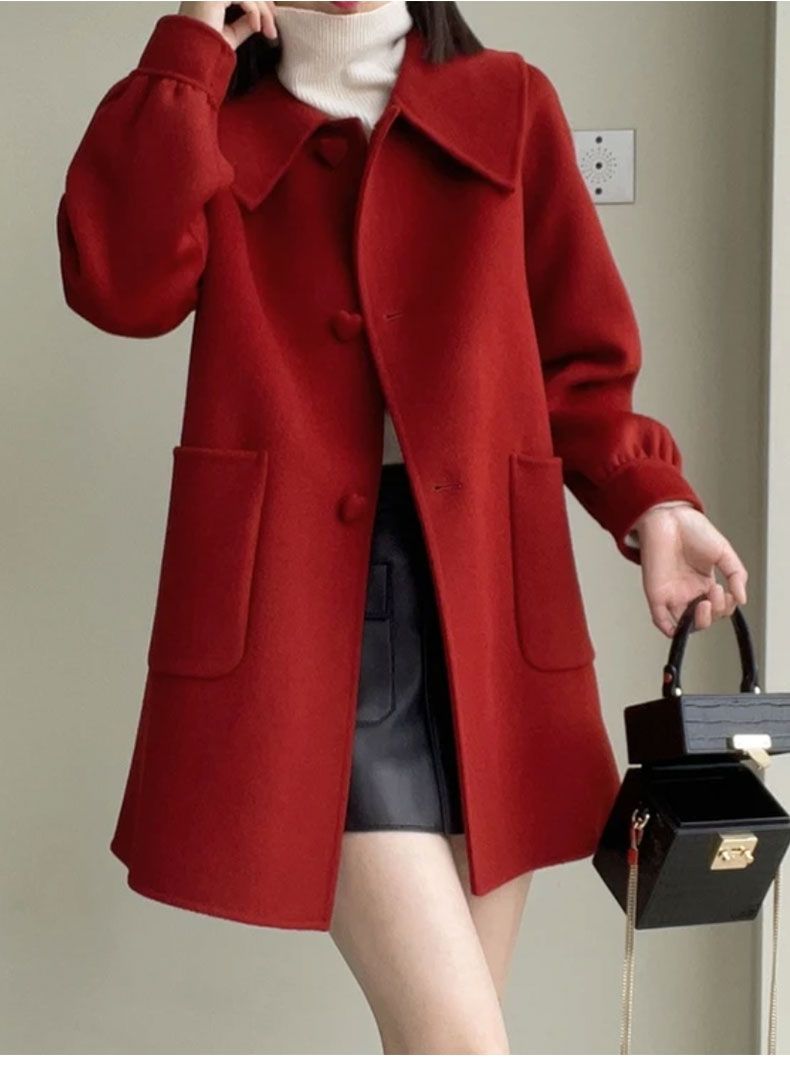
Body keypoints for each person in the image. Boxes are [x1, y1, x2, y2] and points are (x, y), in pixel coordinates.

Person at [56, 1, 748, 1054]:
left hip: (486, 610)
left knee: (444, 1044)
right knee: (461, 1046)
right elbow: (118, 282)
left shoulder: (508, 102)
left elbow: (578, 362)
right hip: (299, 610)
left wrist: (654, 503)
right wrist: (193, 43)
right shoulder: (208, 117)